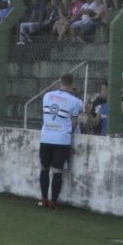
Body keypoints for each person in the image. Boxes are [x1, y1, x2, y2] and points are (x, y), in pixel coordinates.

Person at [36, 73, 83, 209]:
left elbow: (45, 115)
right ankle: (53, 203)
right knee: (57, 171)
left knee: (44, 168)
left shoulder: (47, 96)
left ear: (60, 82)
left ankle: (44, 200)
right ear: (73, 84)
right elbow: (73, 122)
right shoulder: (75, 101)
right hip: (62, 139)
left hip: (46, 137)